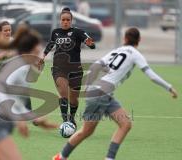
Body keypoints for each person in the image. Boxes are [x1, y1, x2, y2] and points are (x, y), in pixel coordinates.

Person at [52, 27, 178, 160]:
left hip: (101, 94)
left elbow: (95, 66)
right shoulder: (135, 54)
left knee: (124, 124)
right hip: (102, 94)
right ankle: (62, 156)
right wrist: (169, 87)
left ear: (125, 39)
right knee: (88, 131)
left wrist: (89, 87)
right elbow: (151, 76)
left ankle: (98, 158)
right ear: (139, 40)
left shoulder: (117, 50)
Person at [0, 25, 58, 160]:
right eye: (38, 46)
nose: (40, 49)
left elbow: (16, 100)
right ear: (31, 49)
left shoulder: (23, 65)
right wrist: (20, 120)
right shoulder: (17, 67)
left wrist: (32, 117)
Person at [42, 7, 95, 127]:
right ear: (60, 20)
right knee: (63, 94)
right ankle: (65, 121)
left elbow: (90, 43)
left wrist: (90, 43)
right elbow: (50, 44)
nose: (65, 22)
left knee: (74, 99)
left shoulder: (78, 32)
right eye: (63, 19)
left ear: (71, 20)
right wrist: (43, 56)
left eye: (68, 20)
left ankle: (71, 118)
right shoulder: (55, 32)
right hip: (59, 68)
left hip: (75, 69)